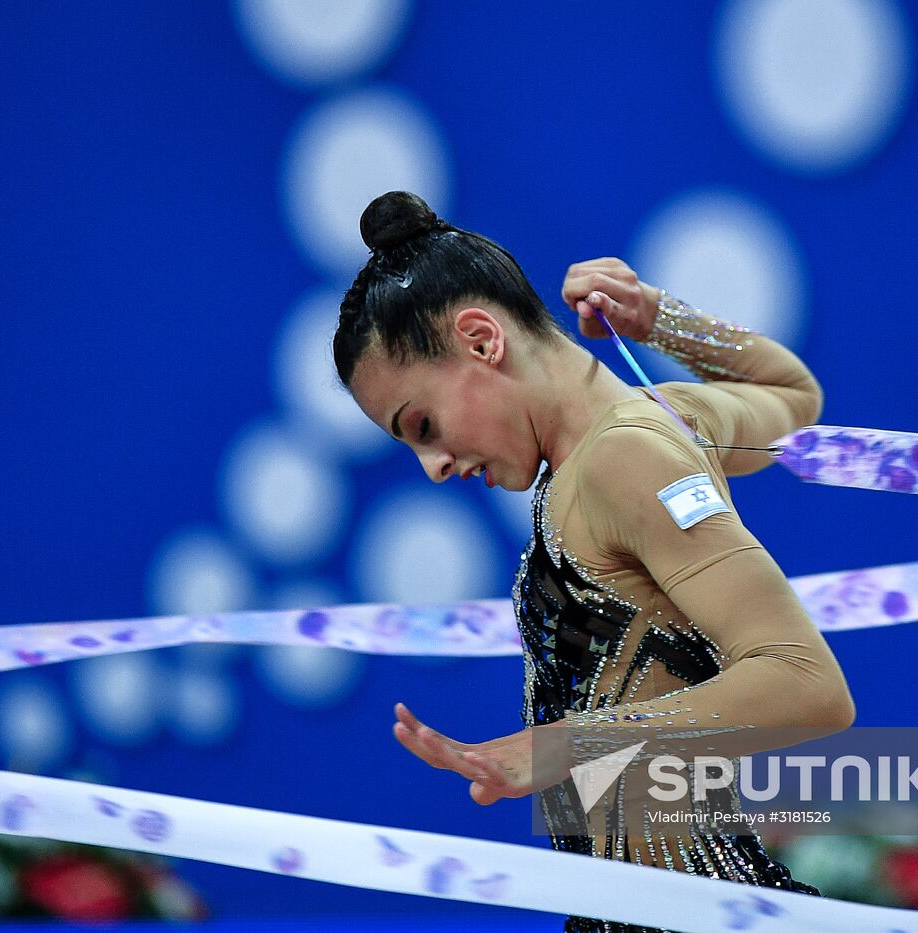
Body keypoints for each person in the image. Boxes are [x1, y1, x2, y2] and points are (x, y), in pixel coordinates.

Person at [334, 191, 855, 932]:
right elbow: (792, 395)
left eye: (423, 425)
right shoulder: (661, 422)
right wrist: (656, 317)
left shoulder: (626, 454)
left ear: (482, 340)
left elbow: (808, 683)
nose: (434, 465)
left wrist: (565, 746)